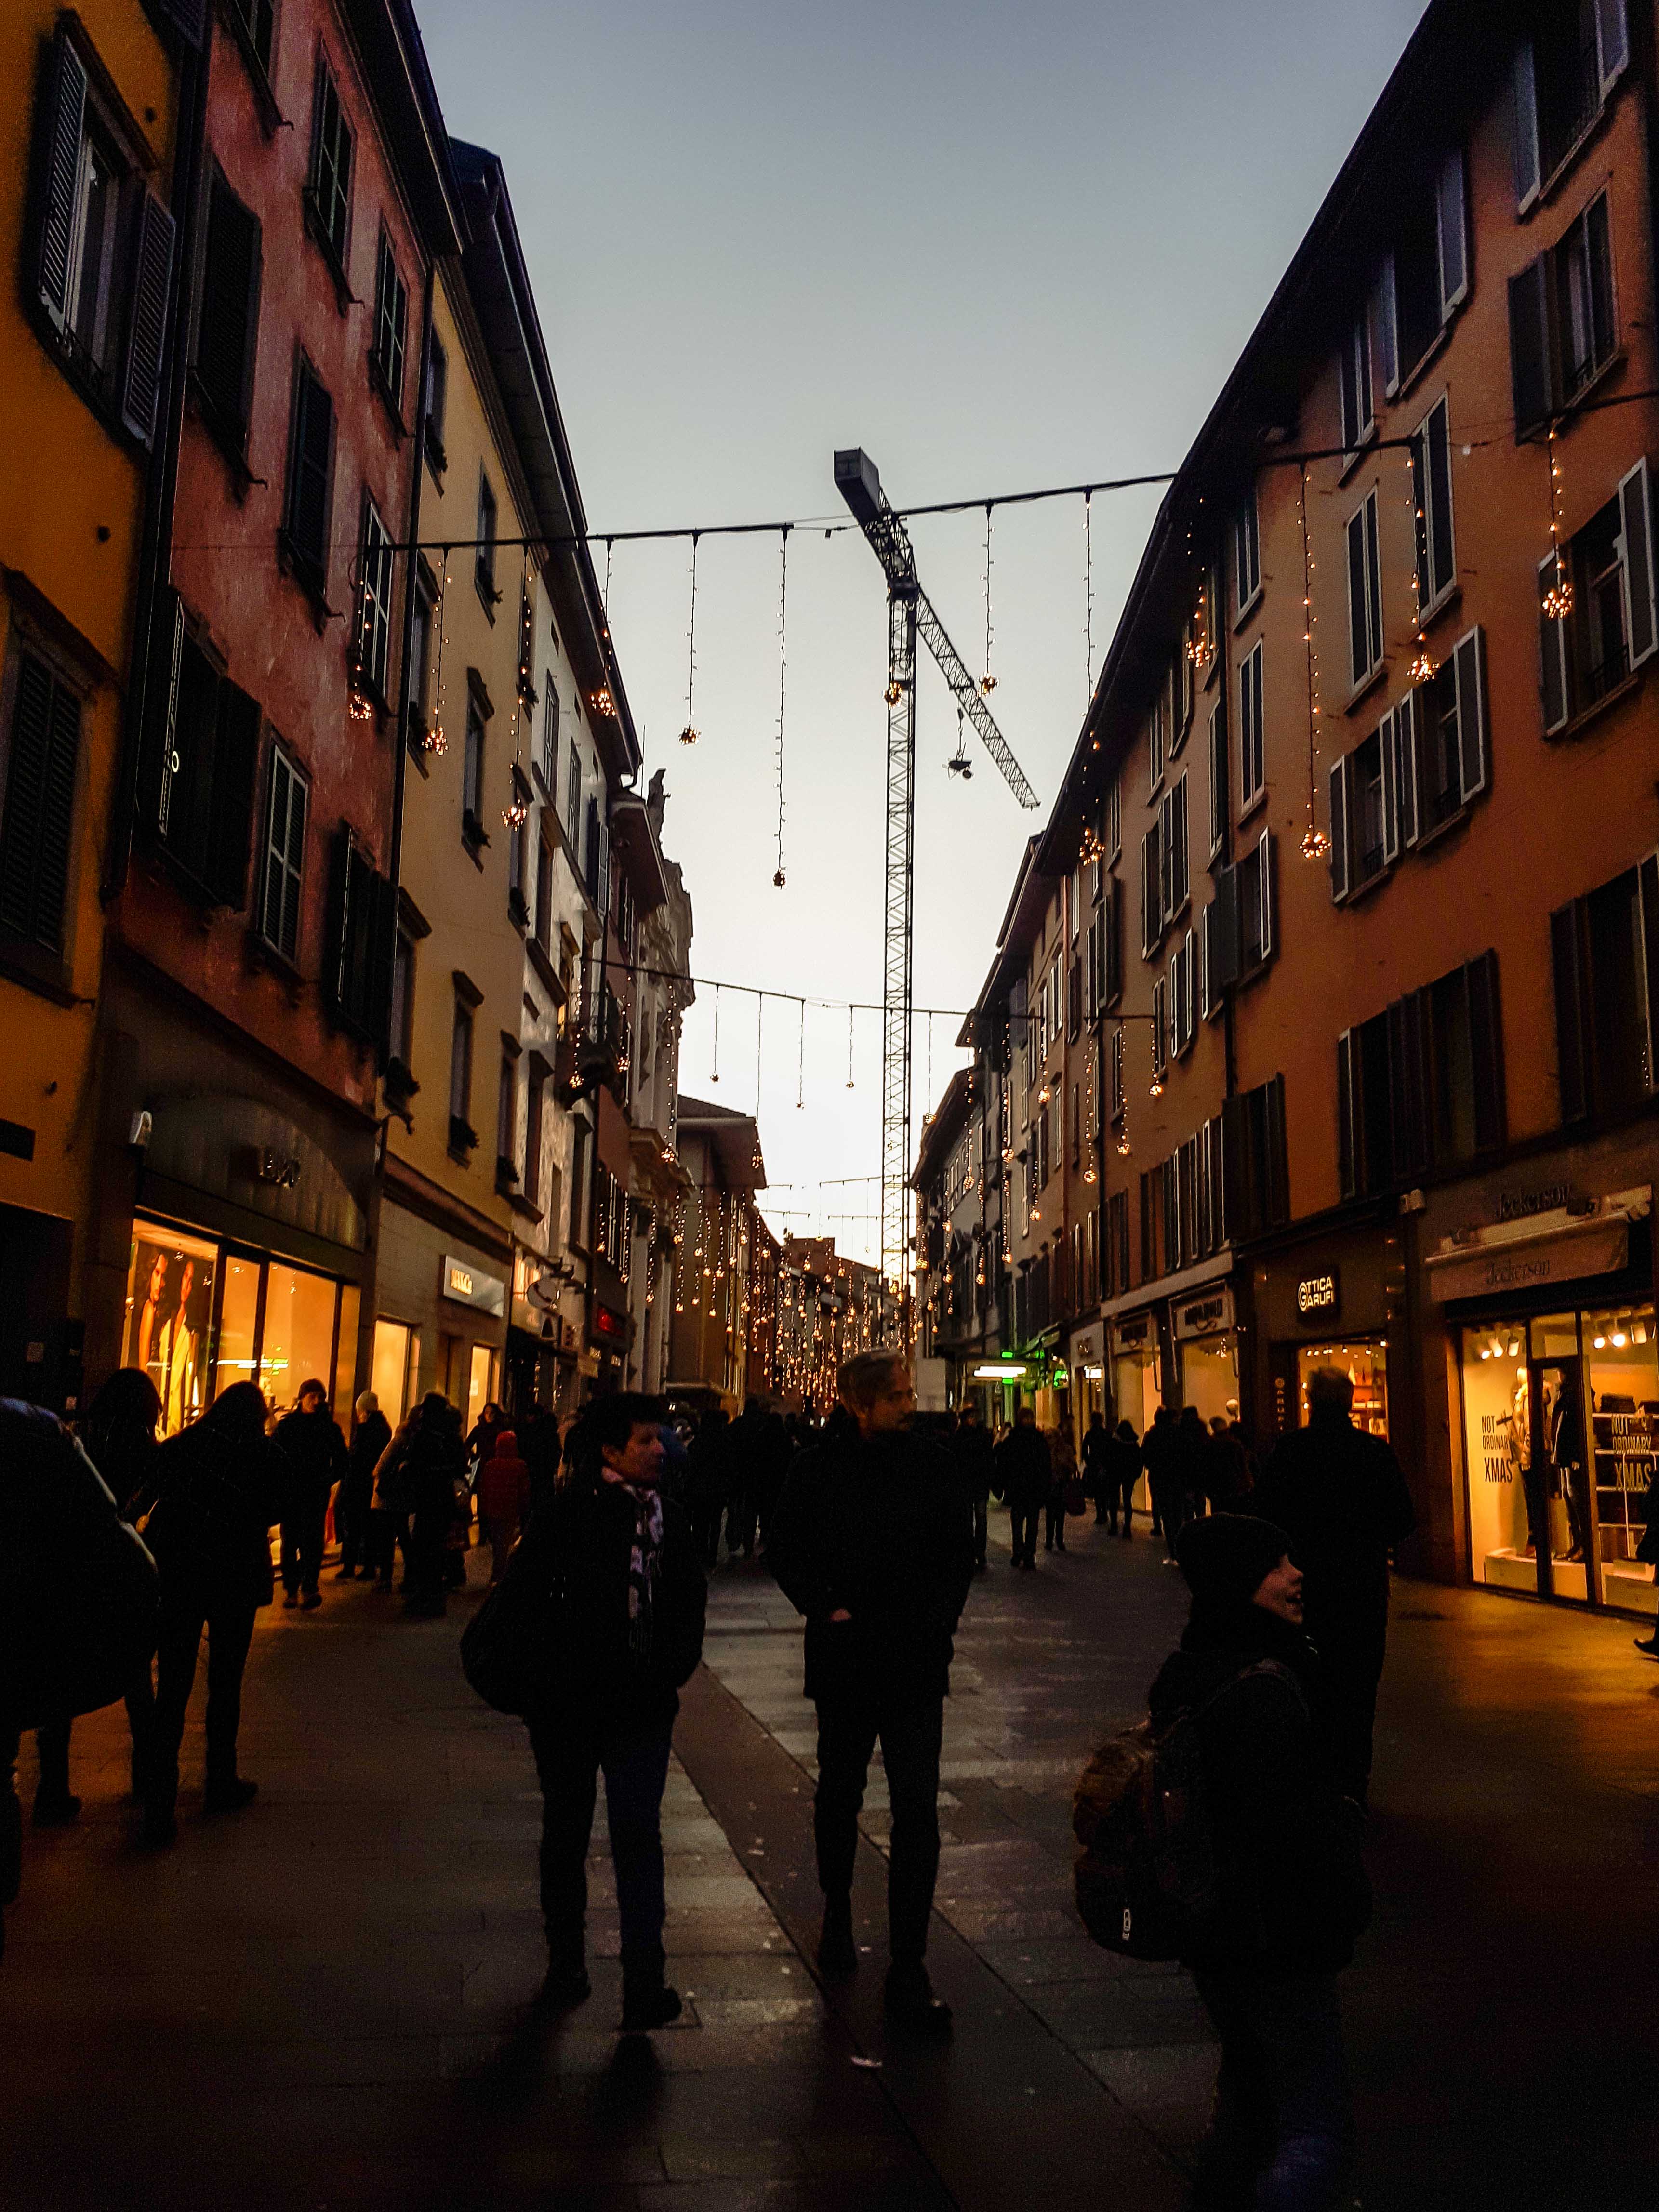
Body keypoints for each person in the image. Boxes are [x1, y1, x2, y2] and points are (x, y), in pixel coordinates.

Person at [1150, 1513, 1368, 2209]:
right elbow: (1287, 1832)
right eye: (1275, 1564)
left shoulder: (1191, 1669)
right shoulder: (1265, 1689)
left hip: (1215, 1934)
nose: (1294, 1574)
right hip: (1275, 1935)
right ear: (1239, 1582)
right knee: (1314, 2122)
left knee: (1246, 2095)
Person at [768, 1350, 975, 2034]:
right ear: (858, 1404)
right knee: (840, 1789)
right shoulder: (816, 1467)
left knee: (917, 1806)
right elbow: (785, 1546)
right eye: (894, 1397)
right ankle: (836, 1907)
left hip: (914, 1656)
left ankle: (909, 1961)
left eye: (907, 1394)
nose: (908, 1405)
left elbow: (957, 1551)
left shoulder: (933, 1463)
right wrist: (822, 1604)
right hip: (848, 1656)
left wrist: (940, 1622)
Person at [517, 1391, 706, 2030]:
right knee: (567, 1831)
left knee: (638, 1837)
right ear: (609, 1450)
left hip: (640, 1707)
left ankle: (643, 1980)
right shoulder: (566, 1515)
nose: (660, 1450)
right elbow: (530, 1604)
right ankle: (566, 1960)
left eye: (660, 1438)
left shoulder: (668, 1518)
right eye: (645, 1439)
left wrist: (669, 1668)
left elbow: (687, 1601)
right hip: (568, 1706)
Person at [132, 1382, 286, 1845]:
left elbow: (146, 1495)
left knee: (172, 1688)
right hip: (235, 1578)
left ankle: (158, 1802)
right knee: (225, 1682)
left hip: (180, 1575)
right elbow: (277, 1506)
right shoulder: (263, 1454)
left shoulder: (182, 1446)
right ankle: (220, 1779)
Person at [1254, 1367, 1415, 1806]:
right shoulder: (1373, 1452)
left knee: (1308, 1681)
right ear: (1348, 1402)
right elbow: (1402, 1520)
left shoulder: (1290, 1451)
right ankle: (1351, 1783)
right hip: (1361, 1590)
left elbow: (1264, 1514)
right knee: (1357, 1688)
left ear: (1309, 1400)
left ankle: (1313, 1777)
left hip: (1303, 1590)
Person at [53, 1368, 166, 1807]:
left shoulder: (79, 1433)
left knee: (61, 1674)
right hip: (119, 1563)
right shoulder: (140, 1442)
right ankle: (147, 1778)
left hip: (72, 1563)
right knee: (137, 1676)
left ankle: (53, 1787)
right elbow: (150, 1489)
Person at [375, 1393, 468, 1618]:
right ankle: (434, 1598)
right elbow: (459, 1467)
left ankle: (424, 1598)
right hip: (443, 1502)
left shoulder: (425, 1436)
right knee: (435, 1551)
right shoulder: (450, 1437)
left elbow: (416, 1469)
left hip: (426, 1501)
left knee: (425, 1549)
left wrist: (408, 1471)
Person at [274, 1380, 346, 1610]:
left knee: (312, 1542)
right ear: (302, 1398)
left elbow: (342, 1461)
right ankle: (292, 1589)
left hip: (315, 1493)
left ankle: (309, 1587)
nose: (317, 1401)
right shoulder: (288, 1426)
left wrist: (326, 1479)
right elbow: (275, 1458)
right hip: (292, 1493)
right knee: (290, 1542)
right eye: (312, 1396)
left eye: (320, 1397)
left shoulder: (328, 1428)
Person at [335, 1391, 391, 1580]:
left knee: (355, 1526)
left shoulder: (366, 1429)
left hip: (358, 1485)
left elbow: (357, 1458)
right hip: (370, 1485)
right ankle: (366, 1566)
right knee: (368, 1527)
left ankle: (353, 1566)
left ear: (364, 1411)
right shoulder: (383, 1428)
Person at [996, 1406, 1051, 1570]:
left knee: (1024, 1523)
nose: (1028, 1421)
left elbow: (1003, 1459)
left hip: (1023, 1488)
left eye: (1030, 1418)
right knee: (1024, 1523)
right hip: (1027, 1488)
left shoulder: (1017, 1438)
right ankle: (1024, 1553)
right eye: (1026, 1418)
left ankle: (1024, 1553)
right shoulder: (1034, 1439)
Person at [478, 1427, 531, 1583]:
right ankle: (499, 1574)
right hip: (510, 1510)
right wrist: (523, 1509)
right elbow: (524, 1490)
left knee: (497, 1542)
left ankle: (498, 1572)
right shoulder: (520, 1465)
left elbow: (483, 1489)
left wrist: (483, 1508)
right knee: (503, 1542)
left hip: (492, 1509)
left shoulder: (490, 1465)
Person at [684, 1408, 732, 1570]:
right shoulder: (724, 1442)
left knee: (700, 1522)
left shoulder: (698, 1443)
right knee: (715, 1522)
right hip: (718, 1488)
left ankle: (701, 1552)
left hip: (699, 1488)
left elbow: (691, 1466)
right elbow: (728, 1466)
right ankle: (712, 1554)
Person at [953, 1401, 997, 1571]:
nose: (973, 1420)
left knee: (980, 1518)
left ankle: (980, 1552)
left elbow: (988, 1459)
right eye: (970, 1417)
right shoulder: (961, 1437)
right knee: (969, 1520)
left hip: (978, 1485)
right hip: (968, 1484)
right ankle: (972, 1552)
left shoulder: (979, 1436)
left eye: (974, 1417)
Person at [1141, 1405, 1182, 1562]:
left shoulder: (1152, 1435)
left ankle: (1172, 1544)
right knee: (1177, 1510)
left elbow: (1145, 1455)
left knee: (1164, 1509)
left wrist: (1151, 1466)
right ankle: (1178, 1541)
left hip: (1158, 1476)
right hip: (1176, 1477)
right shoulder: (1178, 1434)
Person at [1104, 1418, 1142, 1538]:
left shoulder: (1113, 1443)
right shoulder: (1134, 1445)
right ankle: (1127, 1528)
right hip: (1129, 1476)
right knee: (1127, 1501)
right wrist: (1137, 1474)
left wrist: (1108, 1471)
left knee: (1113, 1500)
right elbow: (1139, 1461)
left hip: (1114, 1475)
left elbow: (1108, 1458)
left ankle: (1114, 1526)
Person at [1045, 1422, 1077, 1553]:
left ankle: (1059, 1540)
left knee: (1060, 1514)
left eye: (1051, 1437)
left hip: (1062, 1484)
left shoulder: (1066, 1449)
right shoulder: (1044, 1450)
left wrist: (1065, 1464)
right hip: (1049, 1485)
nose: (1049, 1440)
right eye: (1047, 1437)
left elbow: (1073, 1467)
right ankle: (1049, 1541)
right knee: (1050, 1514)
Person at [1081, 1411, 1112, 1525]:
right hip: (1105, 1465)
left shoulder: (1090, 1434)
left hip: (1094, 1465)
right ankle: (1104, 1512)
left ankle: (1100, 1513)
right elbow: (1110, 1450)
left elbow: (1084, 1450)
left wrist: (1089, 1461)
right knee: (1104, 1490)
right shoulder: (1106, 1434)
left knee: (1097, 1491)